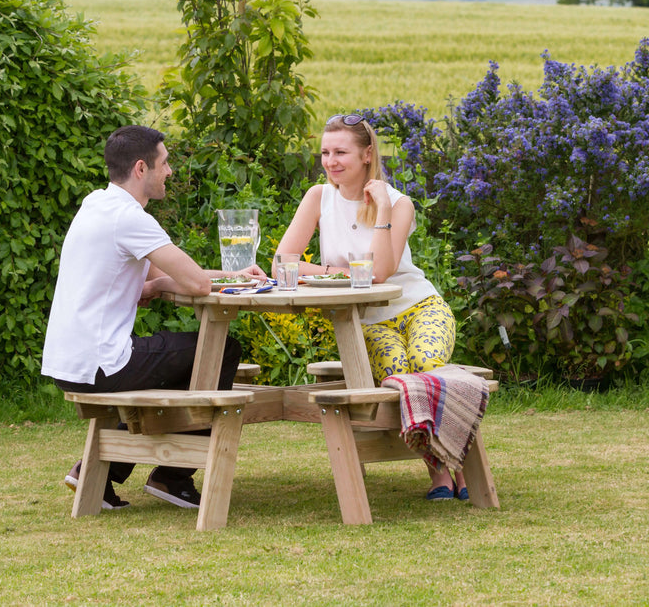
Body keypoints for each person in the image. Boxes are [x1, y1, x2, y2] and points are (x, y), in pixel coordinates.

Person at [42, 125, 265, 510]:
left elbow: (162, 275)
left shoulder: (97, 204)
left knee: (180, 357)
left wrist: (235, 277)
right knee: (221, 351)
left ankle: (98, 472)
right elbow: (194, 283)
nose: (170, 171)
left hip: (72, 362)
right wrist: (170, 285)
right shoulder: (130, 218)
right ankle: (172, 476)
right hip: (101, 364)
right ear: (142, 168)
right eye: (165, 163)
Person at [276, 112, 467, 501]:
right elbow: (283, 262)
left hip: (419, 306)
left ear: (367, 155)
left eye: (341, 152)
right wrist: (338, 270)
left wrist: (380, 209)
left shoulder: (399, 204)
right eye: (326, 152)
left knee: (426, 365)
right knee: (399, 376)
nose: (330, 161)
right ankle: (442, 471)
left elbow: (379, 272)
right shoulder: (318, 197)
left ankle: (454, 466)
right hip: (368, 320)